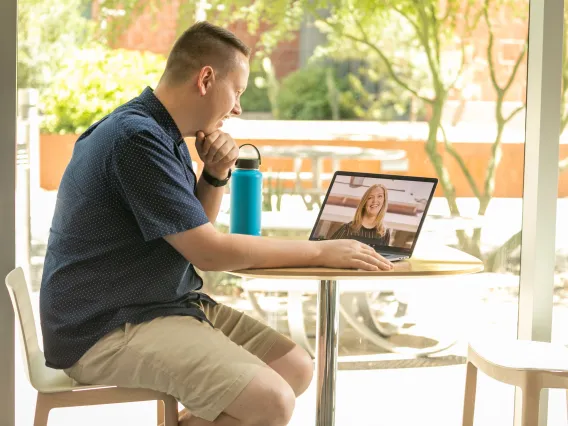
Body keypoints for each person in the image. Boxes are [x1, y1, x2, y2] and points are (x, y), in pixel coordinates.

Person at [38, 22, 393, 426]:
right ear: (206, 78)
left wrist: (215, 173)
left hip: (159, 305)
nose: (238, 107)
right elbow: (208, 252)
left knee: (295, 368)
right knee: (272, 401)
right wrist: (321, 250)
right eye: (237, 91)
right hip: (104, 326)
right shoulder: (136, 139)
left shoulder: (161, 134)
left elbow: (191, 233)